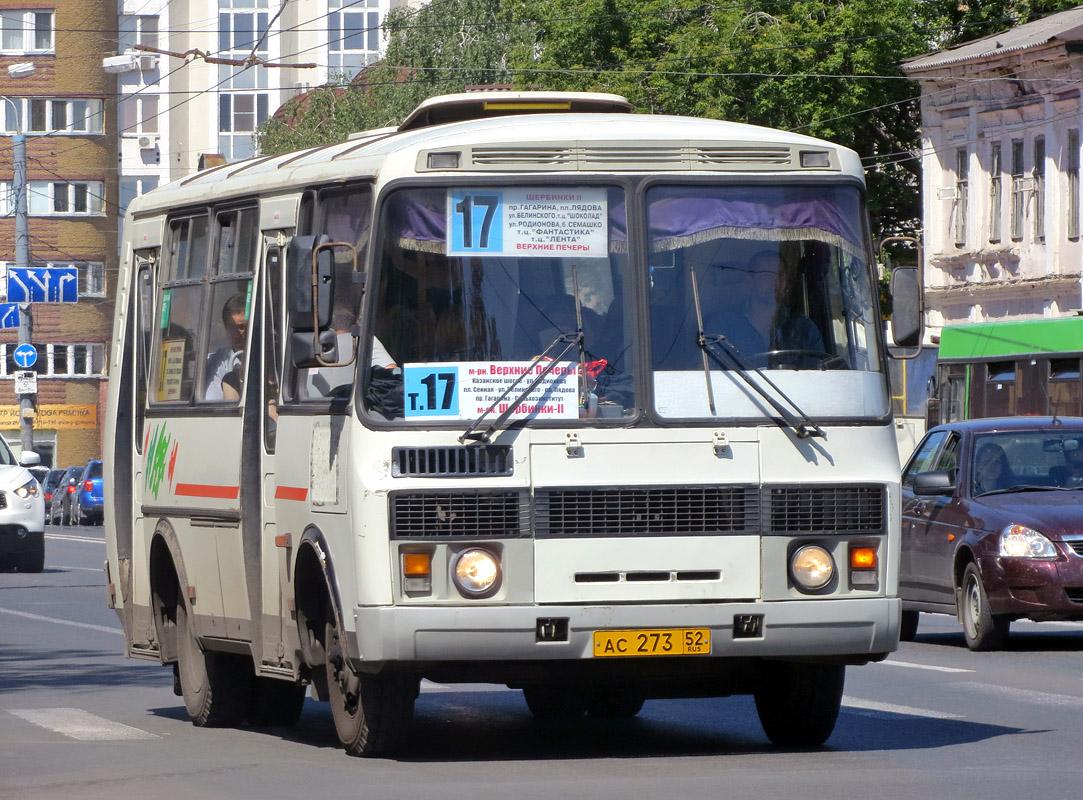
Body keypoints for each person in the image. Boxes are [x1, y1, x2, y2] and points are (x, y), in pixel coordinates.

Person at [703, 249, 824, 360]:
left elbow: (818, 376)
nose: (776, 282)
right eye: (767, 275)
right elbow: (708, 372)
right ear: (750, 281)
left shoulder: (804, 328)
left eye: (780, 275)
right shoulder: (723, 326)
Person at [204, 293, 248, 401]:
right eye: (231, 327)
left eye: (241, 327)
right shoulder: (218, 362)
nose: (235, 334)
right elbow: (212, 402)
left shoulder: (267, 356)